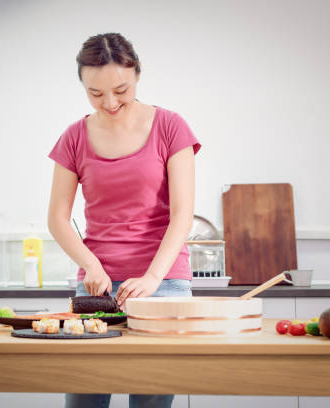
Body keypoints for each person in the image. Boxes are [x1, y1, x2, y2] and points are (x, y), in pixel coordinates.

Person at [47, 32, 201, 408]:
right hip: (97, 291)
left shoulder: (170, 126)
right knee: (85, 400)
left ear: (138, 74)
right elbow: (57, 219)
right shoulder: (74, 137)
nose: (110, 103)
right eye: (95, 93)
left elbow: (182, 214)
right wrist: (90, 264)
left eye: (121, 90)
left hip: (162, 286)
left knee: (150, 402)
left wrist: (152, 278)